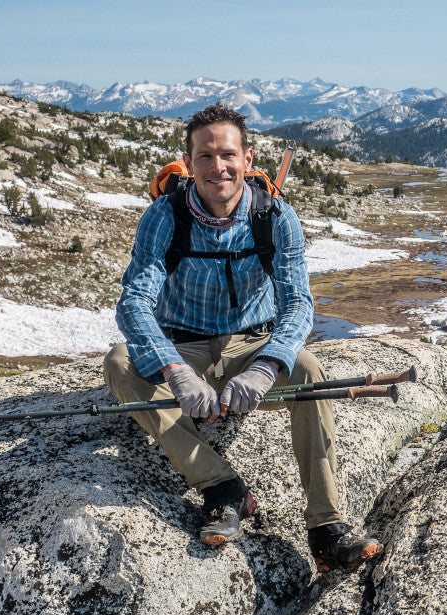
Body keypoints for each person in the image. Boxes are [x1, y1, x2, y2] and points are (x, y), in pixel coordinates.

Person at [103, 103, 381, 573]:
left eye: (228, 154)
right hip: (182, 344)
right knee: (119, 364)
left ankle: (326, 527)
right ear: (188, 163)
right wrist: (175, 372)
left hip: (250, 344)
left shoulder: (275, 217)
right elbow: (134, 301)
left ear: (248, 160)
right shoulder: (163, 217)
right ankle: (222, 487)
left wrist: (267, 365)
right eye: (205, 156)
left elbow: (298, 303)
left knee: (308, 370)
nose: (218, 167)